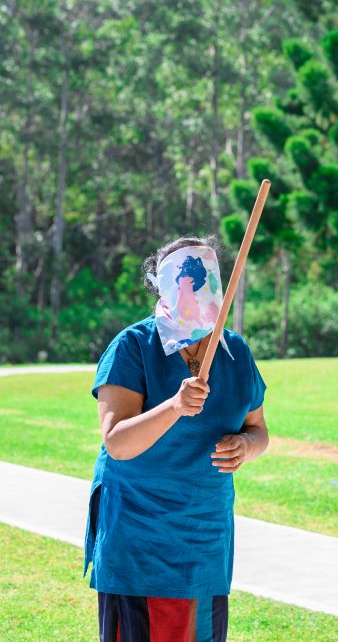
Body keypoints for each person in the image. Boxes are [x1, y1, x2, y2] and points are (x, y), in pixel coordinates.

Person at [82, 236, 269, 642]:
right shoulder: (132, 346)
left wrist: (247, 446)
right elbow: (117, 443)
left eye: (205, 278)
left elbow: (258, 428)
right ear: (165, 286)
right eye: (187, 279)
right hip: (139, 535)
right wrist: (174, 406)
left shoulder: (235, 351)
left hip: (205, 535)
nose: (197, 288)